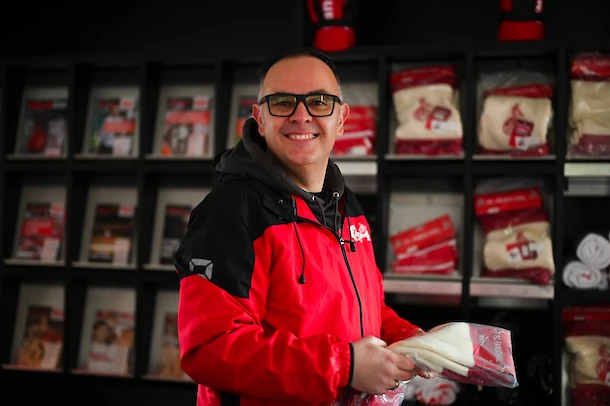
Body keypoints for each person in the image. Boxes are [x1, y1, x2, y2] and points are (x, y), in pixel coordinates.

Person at [174, 46, 427, 406]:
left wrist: (409, 338)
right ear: (260, 118)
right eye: (282, 103)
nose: (301, 115)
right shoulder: (230, 212)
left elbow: (364, 309)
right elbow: (211, 347)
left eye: (319, 102)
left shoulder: (345, 204)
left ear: (342, 118)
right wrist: (346, 366)